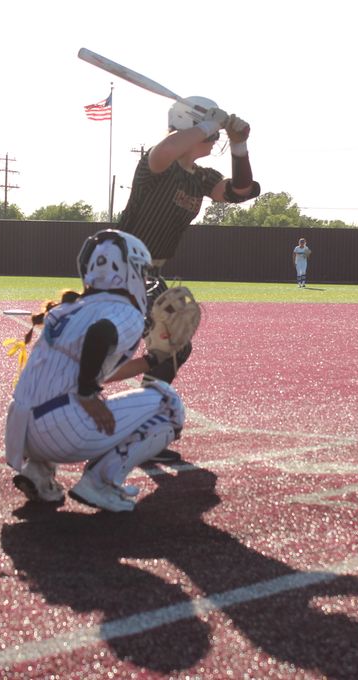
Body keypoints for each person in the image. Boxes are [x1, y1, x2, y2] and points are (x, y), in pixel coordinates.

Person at [115, 97, 260, 461]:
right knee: (162, 344)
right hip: (121, 267)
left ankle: (137, 420)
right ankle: (124, 418)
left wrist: (239, 144)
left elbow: (241, 190)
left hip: (151, 273)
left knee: (173, 345)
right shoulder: (157, 163)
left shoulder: (202, 178)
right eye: (209, 135)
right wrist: (210, 124)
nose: (214, 142)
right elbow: (165, 149)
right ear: (192, 125)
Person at [4, 229, 185, 512]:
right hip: (61, 432)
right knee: (168, 403)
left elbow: (96, 368)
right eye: (141, 271)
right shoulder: (124, 311)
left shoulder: (71, 308)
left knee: (64, 390)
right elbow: (100, 335)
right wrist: (88, 393)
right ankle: (101, 483)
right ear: (127, 271)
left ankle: (38, 472)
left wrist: (152, 360)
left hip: (21, 433)